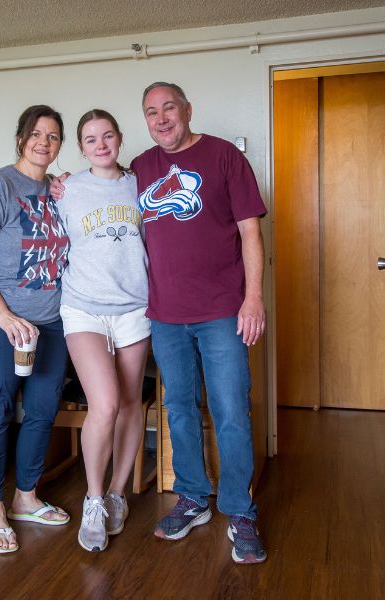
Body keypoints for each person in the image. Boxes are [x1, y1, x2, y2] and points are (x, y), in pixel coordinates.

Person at [133, 82, 268, 564]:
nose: (162, 118)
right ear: (145, 120)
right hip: (165, 315)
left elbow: (251, 231)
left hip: (221, 311)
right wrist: (64, 180)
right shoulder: (141, 168)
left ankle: (239, 510)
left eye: (169, 107)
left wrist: (253, 299)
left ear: (188, 110)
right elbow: (101, 196)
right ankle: (193, 496)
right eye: (152, 112)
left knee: (231, 409)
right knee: (179, 408)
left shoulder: (224, 157)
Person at [0, 104, 71, 555]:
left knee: (43, 409)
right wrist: (6, 318)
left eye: (54, 136)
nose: (44, 142)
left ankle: (25, 498)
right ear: (21, 138)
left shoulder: (61, 191)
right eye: (36, 134)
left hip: (51, 322)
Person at [56, 109, 150, 552]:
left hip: (134, 307)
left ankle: (117, 492)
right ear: (80, 147)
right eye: (90, 139)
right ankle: (93, 498)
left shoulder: (139, 183)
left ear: (119, 138)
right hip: (84, 309)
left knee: (132, 402)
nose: (100, 144)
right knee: (106, 403)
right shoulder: (67, 188)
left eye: (107, 135)